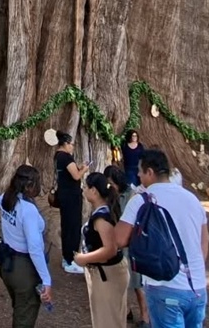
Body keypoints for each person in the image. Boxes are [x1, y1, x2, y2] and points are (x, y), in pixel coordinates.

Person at [115, 149, 209, 328]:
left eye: (140, 172)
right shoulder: (192, 199)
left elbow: (119, 239)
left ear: (150, 172)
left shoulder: (141, 200)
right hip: (197, 287)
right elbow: (205, 239)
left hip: (164, 285)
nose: (138, 176)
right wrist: (194, 268)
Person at [0, 164, 54, 327]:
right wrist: (46, 280)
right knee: (24, 317)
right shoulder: (28, 210)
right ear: (30, 186)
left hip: (7, 266)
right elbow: (35, 248)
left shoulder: (8, 198)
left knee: (19, 308)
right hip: (23, 269)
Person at [75, 172, 129, 328]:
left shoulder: (101, 218)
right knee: (109, 319)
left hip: (107, 274)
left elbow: (110, 249)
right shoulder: (104, 211)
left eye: (85, 186)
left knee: (108, 321)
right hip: (106, 272)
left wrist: (83, 259)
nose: (83, 189)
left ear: (94, 191)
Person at [105, 165, 149, 328]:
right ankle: (126, 310)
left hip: (133, 244)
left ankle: (145, 316)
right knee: (119, 280)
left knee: (137, 283)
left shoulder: (132, 195)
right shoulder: (112, 196)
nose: (110, 187)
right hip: (119, 243)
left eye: (111, 183)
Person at [54, 131, 88, 273]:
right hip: (71, 197)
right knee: (73, 227)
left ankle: (67, 257)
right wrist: (84, 170)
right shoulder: (66, 157)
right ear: (66, 144)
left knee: (67, 225)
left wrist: (77, 167)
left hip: (63, 195)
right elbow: (75, 176)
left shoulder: (57, 156)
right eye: (71, 144)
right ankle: (71, 259)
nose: (72, 147)